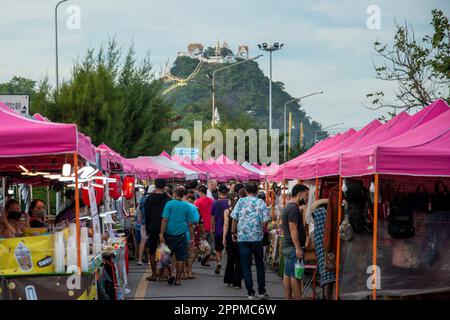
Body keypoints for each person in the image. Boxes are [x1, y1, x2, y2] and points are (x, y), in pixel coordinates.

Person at [231, 182, 270, 299]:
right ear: (257, 191)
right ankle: (261, 291)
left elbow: (234, 219)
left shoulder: (241, 201)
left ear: (246, 191)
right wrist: (262, 231)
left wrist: (233, 233)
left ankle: (250, 292)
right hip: (257, 238)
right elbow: (265, 221)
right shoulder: (261, 202)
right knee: (259, 264)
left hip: (243, 238)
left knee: (246, 265)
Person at [160, 187, 195, 286]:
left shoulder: (169, 204)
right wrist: (192, 238)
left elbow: (164, 220)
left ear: (174, 194)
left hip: (169, 235)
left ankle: (171, 273)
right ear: (183, 195)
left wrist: (161, 234)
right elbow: (190, 224)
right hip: (182, 236)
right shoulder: (187, 206)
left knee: (166, 256)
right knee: (181, 258)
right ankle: (178, 279)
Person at [281, 184, 309, 300]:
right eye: (306, 194)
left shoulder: (289, 206)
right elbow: (293, 229)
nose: (307, 198)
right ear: (299, 193)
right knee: (295, 276)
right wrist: (298, 247)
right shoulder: (293, 208)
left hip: (288, 246)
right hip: (293, 247)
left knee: (287, 274)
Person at [144, 179, 171, 281]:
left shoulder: (149, 199)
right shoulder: (168, 200)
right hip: (164, 229)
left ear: (155, 186)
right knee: (163, 250)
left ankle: (154, 273)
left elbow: (146, 214)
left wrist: (147, 227)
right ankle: (162, 274)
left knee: (151, 251)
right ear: (165, 186)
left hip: (151, 228)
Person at [223, 191, 243, 288]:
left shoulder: (227, 211)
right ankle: (237, 282)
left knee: (230, 259)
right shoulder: (241, 210)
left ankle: (229, 279)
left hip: (230, 236)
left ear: (229, 200)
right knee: (239, 259)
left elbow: (226, 225)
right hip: (240, 235)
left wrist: (224, 237)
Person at [211, 184, 229, 274]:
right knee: (228, 248)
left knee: (218, 249)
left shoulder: (215, 203)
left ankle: (219, 262)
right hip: (229, 230)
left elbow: (212, 217)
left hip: (218, 229)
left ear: (218, 192)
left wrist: (211, 228)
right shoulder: (230, 202)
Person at [194, 185, 214, 265]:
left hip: (201, 224)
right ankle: (207, 260)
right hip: (210, 224)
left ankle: (200, 256)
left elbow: (196, 214)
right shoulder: (212, 201)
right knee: (208, 243)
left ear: (200, 192)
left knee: (201, 241)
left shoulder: (198, 202)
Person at [183, 192, 200, 279]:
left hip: (177, 233)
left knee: (180, 254)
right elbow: (196, 221)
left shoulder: (175, 206)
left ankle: (183, 273)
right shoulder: (193, 207)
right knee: (189, 253)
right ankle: (189, 271)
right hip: (189, 233)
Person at [136, 186, 153, 266]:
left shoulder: (142, 199)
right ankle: (150, 260)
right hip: (151, 223)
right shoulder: (152, 199)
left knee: (143, 240)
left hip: (143, 223)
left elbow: (139, 212)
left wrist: (139, 221)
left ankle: (139, 259)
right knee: (151, 241)